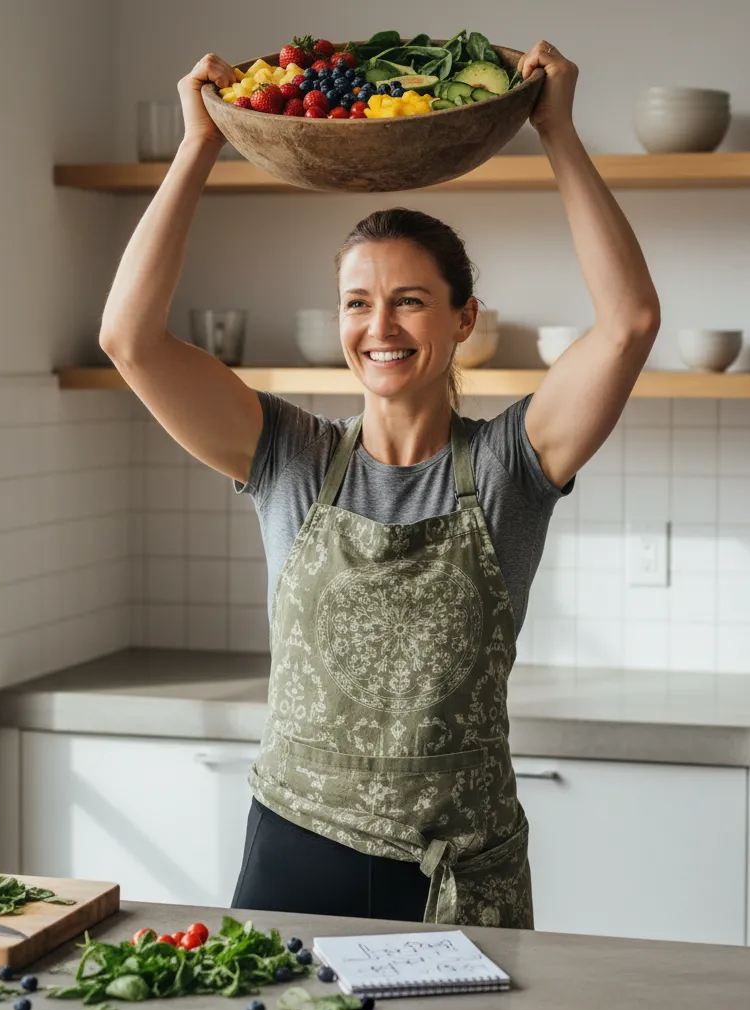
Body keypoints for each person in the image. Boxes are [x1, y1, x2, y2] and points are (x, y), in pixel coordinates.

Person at [99, 40, 660, 928]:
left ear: (463, 318)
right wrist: (198, 143)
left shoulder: (512, 466)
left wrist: (558, 130)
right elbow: (129, 338)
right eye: (358, 301)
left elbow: (628, 324)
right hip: (296, 849)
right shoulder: (289, 457)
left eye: (409, 299)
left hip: (459, 873)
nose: (380, 325)